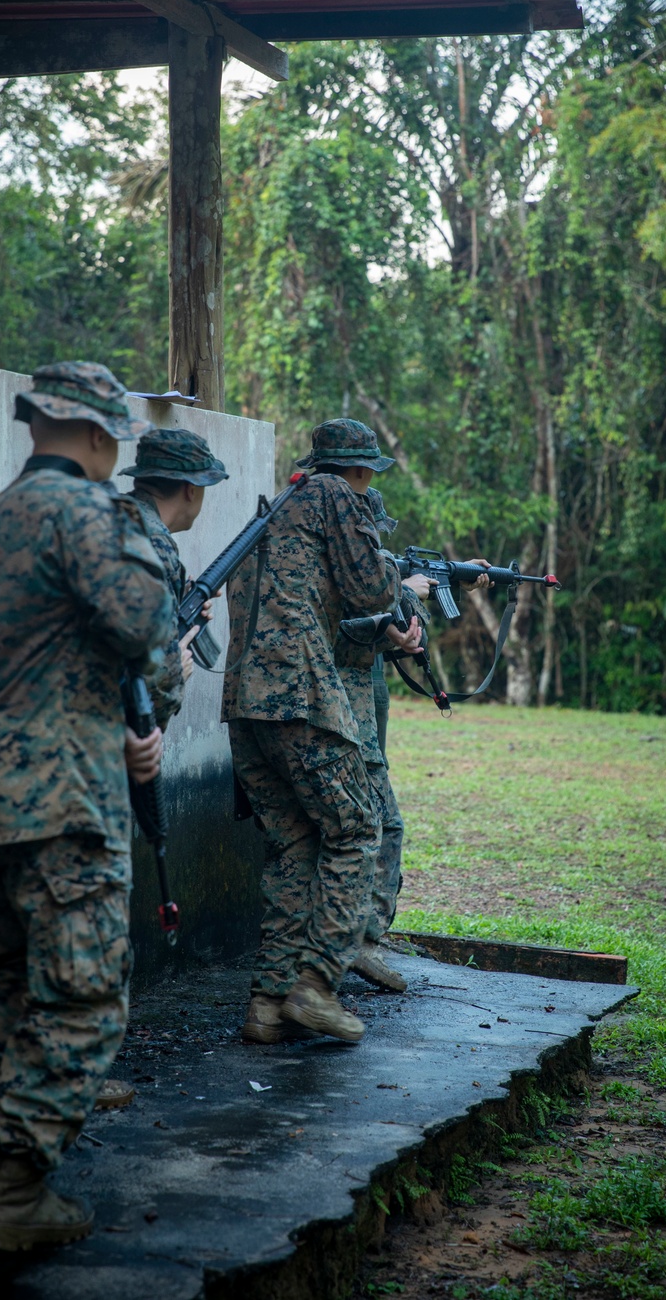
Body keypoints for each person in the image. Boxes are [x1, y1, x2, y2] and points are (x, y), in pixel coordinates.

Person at [0, 361, 173, 1252]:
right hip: (55, 799)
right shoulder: (88, 515)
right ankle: (19, 1193)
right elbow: (143, 626)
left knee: (4, 983)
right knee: (80, 996)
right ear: (103, 439)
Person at [223, 419, 402, 1045]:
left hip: (247, 707)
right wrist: (402, 582)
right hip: (298, 697)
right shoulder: (334, 497)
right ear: (358, 472)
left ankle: (269, 1004)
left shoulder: (276, 512)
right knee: (356, 828)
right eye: (367, 476)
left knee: (295, 846)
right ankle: (317, 984)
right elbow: (371, 587)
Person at [335, 487, 430, 993]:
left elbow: (400, 633)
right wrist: (406, 592)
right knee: (382, 823)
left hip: (352, 708)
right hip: (345, 713)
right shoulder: (352, 568)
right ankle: (362, 943)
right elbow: (360, 620)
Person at [119, 427, 229, 730]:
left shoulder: (115, 515)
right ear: (190, 489)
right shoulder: (155, 541)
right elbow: (157, 681)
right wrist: (174, 673)